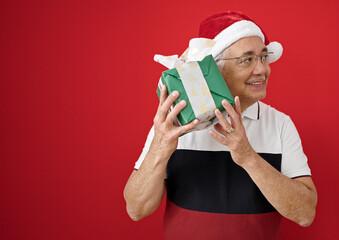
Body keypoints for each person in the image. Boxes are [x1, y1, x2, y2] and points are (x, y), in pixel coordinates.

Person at [124, 11, 317, 240]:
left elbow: (305, 214)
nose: (262, 70)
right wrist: (161, 147)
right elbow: (136, 210)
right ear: (214, 68)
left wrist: (248, 157)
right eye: (247, 59)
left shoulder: (281, 125)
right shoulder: (171, 124)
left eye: (263, 57)